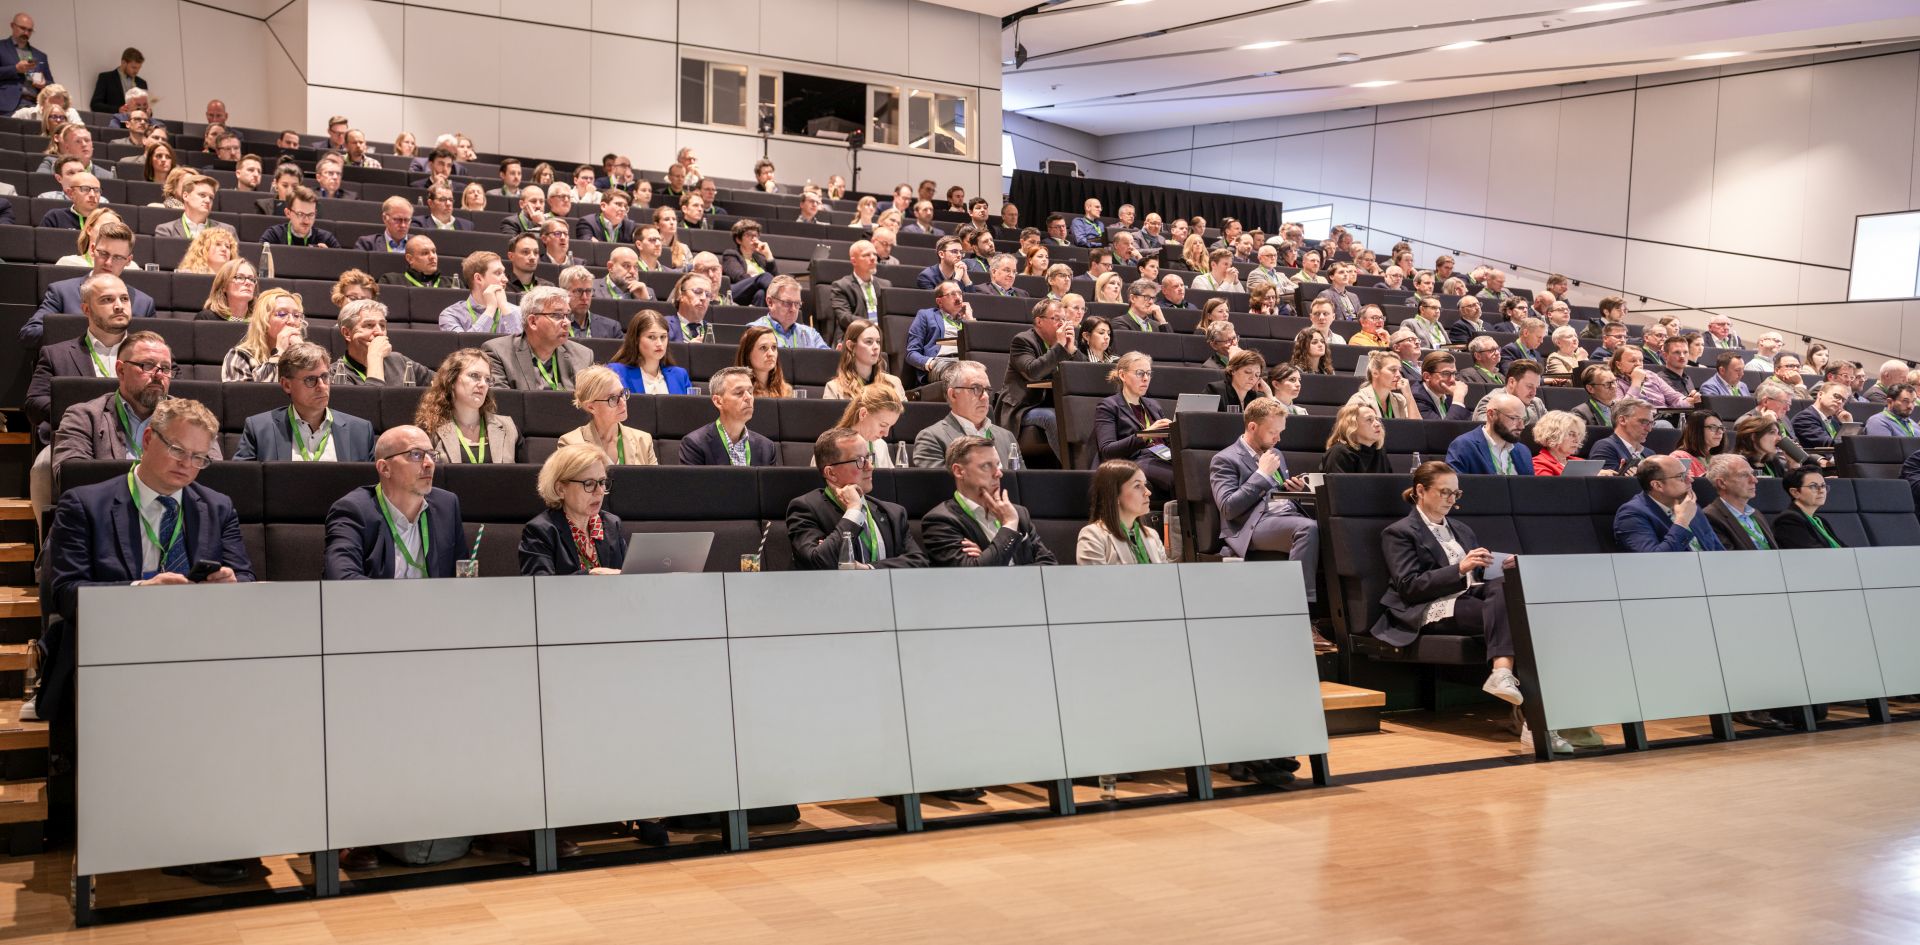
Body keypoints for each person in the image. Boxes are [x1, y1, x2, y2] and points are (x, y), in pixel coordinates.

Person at [1371, 461, 1526, 722]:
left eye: (1456, 494)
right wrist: (1460, 568)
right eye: (1445, 492)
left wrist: (1498, 566)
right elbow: (1409, 586)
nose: (1451, 500)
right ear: (1420, 491)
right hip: (1430, 605)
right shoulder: (1399, 532)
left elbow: (1476, 578)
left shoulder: (1462, 529)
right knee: (1521, 618)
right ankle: (1531, 720)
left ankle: (1504, 676)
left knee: (1507, 588)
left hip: (1471, 597)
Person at [1211, 396, 1322, 598]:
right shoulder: (1225, 459)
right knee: (1307, 528)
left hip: (1283, 517)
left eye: (1280, 432)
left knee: (1332, 526)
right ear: (1252, 427)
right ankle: (1298, 606)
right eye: (1273, 432)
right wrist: (1261, 475)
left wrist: (1291, 492)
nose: (1278, 438)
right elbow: (1228, 508)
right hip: (1252, 525)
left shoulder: (1275, 453)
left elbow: (1273, 496)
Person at [324, 425, 467, 580]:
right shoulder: (353, 511)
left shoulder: (447, 505)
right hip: (376, 604)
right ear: (385, 468)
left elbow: (460, 576)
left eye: (432, 455)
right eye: (416, 454)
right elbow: (341, 579)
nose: (429, 463)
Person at [788, 428, 926, 569]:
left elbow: (918, 562)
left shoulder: (893, 512)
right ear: (831, 473)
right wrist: (853, 511)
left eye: (868, 457)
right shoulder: (805, 509)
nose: (870, 466)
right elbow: (817, 562)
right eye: (860, 460)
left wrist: (869, 569)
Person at [922, 436, 1057, 568]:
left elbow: (1050, 566)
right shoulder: (940, 521)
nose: (998, 473)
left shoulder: (1019, 513)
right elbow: (972, 578)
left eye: (997, 464)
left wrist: (986, 559)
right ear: (959, 471)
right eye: (986, 466)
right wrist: (1009, 525)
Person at [233, 343, 376, 463]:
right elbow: (243, 484)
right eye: (310, 380)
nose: (322, 386)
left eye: (325, 377)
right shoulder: (259, 429)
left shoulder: (360, 431)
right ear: (286, 385)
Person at [22, 221, 153, 345]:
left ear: (128, 260)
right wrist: (93, 331)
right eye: (103, 254)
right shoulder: (61, 292)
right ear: (92, 249)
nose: (108, 262)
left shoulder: (144, 303)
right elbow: (29, 334)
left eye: (118, 257)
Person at [518, 443, 629, 576]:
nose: (599, 492)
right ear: (560, 489)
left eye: (602, 482)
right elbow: (540, 589)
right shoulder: (541, 531)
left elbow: (628, 577)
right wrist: (590, 575)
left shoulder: (612, 524)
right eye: (589, 484)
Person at [1001, 298, 1076, 462]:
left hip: (1053, 402)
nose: (1061, 324)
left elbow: (1079, 376)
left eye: (1064, 319)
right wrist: (1060, 347)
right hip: (1024, 406)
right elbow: (1033, 372)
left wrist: (1072, 350)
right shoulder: (1023, 341)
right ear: (1039, 321)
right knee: (1052, 417)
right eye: (1056, 319)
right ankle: (1072, 467)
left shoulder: (1063, 345)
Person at [479, 286, 594, 392]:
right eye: (557, 315)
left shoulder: (583, 356)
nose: (567, 323)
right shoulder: (498, 353)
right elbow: (505, 403)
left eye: (567, 315)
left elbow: (591, 403)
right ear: (533, 322)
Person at [416, 350, 522, 464]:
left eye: (487, 379)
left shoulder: (509, 428)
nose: (483, 384)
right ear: (451, 381)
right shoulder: (429, 429)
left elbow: (526, 477)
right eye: (474, 376)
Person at [913, 360, 1021, 470]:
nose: (985, 397)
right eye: (976, 389)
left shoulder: (1007, 437)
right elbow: (940, 486)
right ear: (953, 395)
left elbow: (1024, 483)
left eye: (987, 390)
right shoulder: (932, 438)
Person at [1613, 456, 1725, 552]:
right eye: (1681, 476)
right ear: (1657, 485)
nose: (1690, 479)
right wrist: (1682, 522)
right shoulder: (1632, 515)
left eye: (1687, 473)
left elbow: (1717, 551)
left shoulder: (1689, 505)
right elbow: (1654, 562)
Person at [555, 366, 658, 467]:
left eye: (622, 393)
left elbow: (653, 483)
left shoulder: (643, 440)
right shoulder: (570, 444)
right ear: (591, 407)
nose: (622, 402)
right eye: (612, 398)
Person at [679, 367, 777, 466]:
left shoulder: (767, 448)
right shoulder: (695, 444)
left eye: (750, 392)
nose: (748, 397)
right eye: (739, 393)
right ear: (718, 401)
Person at [1076, 460, 1167, 565]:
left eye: (1145, 484)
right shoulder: (1093, 536)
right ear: (1115, 495)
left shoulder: (1152, 535)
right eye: (1137, 486)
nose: (1148, 492)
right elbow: (1096, 581)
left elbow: (1168, 579)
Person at [330, 300, 432, 387]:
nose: (379, 332)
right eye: (369, 325)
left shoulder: (399, 360)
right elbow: (370, 405)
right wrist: (375, 356)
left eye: (382, 325)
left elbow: (442, 382)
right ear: (347, 333)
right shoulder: (333, 373)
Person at [219, 288, 305, 381]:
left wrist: (303, 355)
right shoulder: (239, 356)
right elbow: (260, 394)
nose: (292, 321)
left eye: (296, 315)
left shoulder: (304, 355)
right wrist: (278, 353)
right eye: (282, 313)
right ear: (263, 321)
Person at [1445, 392, 1534, 475]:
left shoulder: (1523, 451)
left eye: (1523, 419)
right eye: (1514, 418)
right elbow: (1454, 488)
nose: (1521, 426)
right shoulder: (1463, 446)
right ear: (1491, 415)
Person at [1700, 454, 1776, 551]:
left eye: (1753, 474)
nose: (1754, 480)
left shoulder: (1756, 514)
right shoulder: (1710, 518)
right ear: (1722, 483)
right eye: (1744, 475)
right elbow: (1730, 560)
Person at [906, 280, 974, 383]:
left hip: (966, 361)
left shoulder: (966, 320)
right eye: (952, 294)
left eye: (960, 293)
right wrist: (931, 363)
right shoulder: (926, 315)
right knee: (961, 374)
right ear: (939, 302)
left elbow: (976, 347)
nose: (958, 297)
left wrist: (970, 319)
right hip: (941, 363)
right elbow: (911, 353)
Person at [439, 251, 522, 333]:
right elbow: (464, 345)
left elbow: (522, 345)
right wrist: (490, 309)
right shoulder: (451, 315)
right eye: (498, 273)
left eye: (503, 273)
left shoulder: (518, 312)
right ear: (478, 278)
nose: (505, 279)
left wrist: (505, 308)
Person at [825, 318, 906, 401]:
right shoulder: (834, 388)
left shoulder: (894, 383)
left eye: (878, 342)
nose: (876, 347)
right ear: (851, 346)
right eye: (869, 342)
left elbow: (907, 414)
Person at [831, 386, 905, 469]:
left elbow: (889, 481)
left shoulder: (881, 445)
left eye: (890, 426)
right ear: (863, 414)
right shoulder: (831, 446)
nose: (886, 434)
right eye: (883, 425)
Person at [828, 240, 891, 336]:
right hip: (856, 336)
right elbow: (844, 318)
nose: (873, 258)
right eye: (866, 255)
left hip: (883, 337)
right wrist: (871, 325)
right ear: (854, 261)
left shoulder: (885, 285)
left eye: (874, 254)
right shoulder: (841, 286)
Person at [1773, 465, 1846, 549]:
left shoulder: (1819, 521)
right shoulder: (1788, 520)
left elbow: (1842, 547)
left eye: (1823, 486)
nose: (1821, 490)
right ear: (1795, 492)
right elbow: (1812, 554)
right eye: (1813, 486)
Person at [747, 275, 828, 349]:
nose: (793, 309)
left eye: (797, 304)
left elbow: (825, 360)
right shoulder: (754, 331)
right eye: (787, 303)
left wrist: (835, 359)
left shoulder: (811, 334)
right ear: (770, 302)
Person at [1471, 360, 1548, 425]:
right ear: (1512, 382)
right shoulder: (1490, 402)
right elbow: (1489, 432)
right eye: (1529, 386)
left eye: (1536, 387)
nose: (1534, 393)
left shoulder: (1537, 403)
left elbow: (1552, 429)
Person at [259, 187, 339, 248]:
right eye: (300, 214)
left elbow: (342, 267)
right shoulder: (273, 235)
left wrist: (328, 259)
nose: (306, 221)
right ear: (288, 213)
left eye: (311, 214)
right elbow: (258, 263)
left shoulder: (327, 239)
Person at [1348, 350, 1414, 420]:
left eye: (1399, 370)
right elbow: (1349, 429)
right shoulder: (1359, 399)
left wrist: (1409, 395)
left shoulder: (1400, 400)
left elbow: (1417, 428)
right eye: (1393, 370)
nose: (1399, 375)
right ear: (1375, 373)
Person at [1791, 381, 1853, 451]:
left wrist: (1848, 424)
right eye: (1836, 396)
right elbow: (1829, 444)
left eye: (1843, 400)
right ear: (1820, 394)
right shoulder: (1804, 418)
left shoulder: (1833, 420)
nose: (1840, 402)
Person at [1205, 349, 1273, 413]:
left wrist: (1269, 394)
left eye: (1257, 375)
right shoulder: (1215, 390)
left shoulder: (1256, 397)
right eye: (1248, 372)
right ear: (1233, 370)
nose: (1252, 378)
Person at [737, 326, 793, 398]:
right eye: (763, 347)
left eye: (774, 347)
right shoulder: (737, 392)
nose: (771, 353)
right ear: (747, 353)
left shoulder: (786, 391)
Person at [1412, 351, 1470, 421]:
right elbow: (1442, 430)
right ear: (1427, 376)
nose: (1452, 380)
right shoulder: (1417, 397)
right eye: (1445, 373)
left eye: (1454, 373)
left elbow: (1467, 423)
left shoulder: (1448, 393)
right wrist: (1458, 398)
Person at [1669, 409, 1727, 478]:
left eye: (1721, 427)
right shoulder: (1680, 457)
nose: (1720, 432)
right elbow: (1678, 486)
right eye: (1713, 427)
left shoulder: (1719, 459)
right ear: (1696, 431)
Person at [1529, 410, 1587, 476]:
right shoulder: (1539, 463)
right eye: (1571, 434)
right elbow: (1550, 485)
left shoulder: (1580, 462)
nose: (1577, 440)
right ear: (1553, 436)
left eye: (1578, 435)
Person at [1732, 413, 1792, 478]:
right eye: (1772, 432)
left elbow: (1787, 487)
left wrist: (1793, 465)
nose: (1779, 438)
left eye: (1778, 433)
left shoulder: (1773, 462)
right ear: (1754, 437)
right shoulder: (1736, 464)